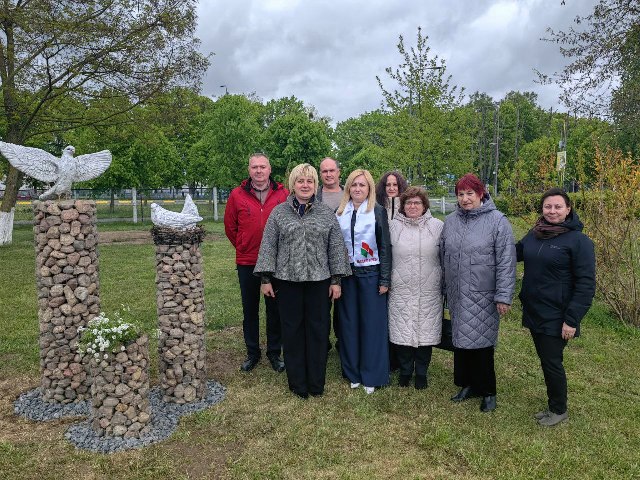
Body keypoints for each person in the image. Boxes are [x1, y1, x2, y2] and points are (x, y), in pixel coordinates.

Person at [254, 164, 351, 399]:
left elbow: (336, 248)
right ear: (293, 184)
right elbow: (269, 246)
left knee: (318, 331)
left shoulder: (326, 213)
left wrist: (336, 280)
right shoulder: (279, 213)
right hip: (287, 281)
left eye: (309, 181)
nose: (305, 185)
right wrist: (266, 278)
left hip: (319, 281)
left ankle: (316, 383)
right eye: (300, 181)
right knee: (292, 331)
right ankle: (297, 383)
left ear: (315, 185)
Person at [516, 187, 595, 426]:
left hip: (558, 314)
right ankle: (554, 404)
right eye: (548, 206)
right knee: (545, 359)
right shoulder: (535, 234)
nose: (552, 211)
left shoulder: (579, 242)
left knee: (552, 362)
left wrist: (572, 319)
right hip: (535, 310)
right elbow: (514, 253)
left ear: (568, 209)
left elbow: (586, 284)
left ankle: (559, 409)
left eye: (558, 207)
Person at [440, 173, 516, 412]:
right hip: (457, 293)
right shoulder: (450, 221)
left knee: (481, 343)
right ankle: (467, 385)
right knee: (461, 342)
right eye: (461, 194)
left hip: (483, 294)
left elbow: (506, 261)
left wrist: (503, 295)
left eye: (470, 193)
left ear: (481, 194)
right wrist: (444, 288)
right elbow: (443, 256)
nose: (465, 199)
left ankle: (488, 391)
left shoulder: (497, 221)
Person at [224, 153, 288, 373]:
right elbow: (230, 227)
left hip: (276, 262)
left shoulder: (283, 194)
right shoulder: (237, 195)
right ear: (249, 170)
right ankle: (252, 352)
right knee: (250, 309)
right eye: (254, 167)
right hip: (248, 261)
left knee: (275, 309)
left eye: (262, 167)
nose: (259, 171)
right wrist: (244, 246)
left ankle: (274, 352)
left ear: (270, 169)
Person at [336, 169, 391, 394]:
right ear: (348, 187)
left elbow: (385, 246)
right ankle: (353, 372)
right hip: (347, 276)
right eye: (354, 184)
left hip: (371, 274)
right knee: (349, 324)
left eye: (362, 185)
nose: (357, 189)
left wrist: (384, 278)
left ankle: (372, 374)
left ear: (369, 189)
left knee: (372, 325)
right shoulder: (340, 212)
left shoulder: (377, 211)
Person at [388, 187, 443, 389]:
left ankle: (421, 373)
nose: (412, 206)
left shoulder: (437, 226)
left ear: (424, 205)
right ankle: (405, 371)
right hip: (400, 288)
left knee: (425, 333)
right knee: (402, 331)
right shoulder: (393, 226)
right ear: (402, 206)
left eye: (417, 202)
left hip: (429, 289)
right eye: (408, 203)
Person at [317, 157, 344, 352]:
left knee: (343, 307)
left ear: (338, 172)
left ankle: (343, 342)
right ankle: (322, 343)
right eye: (324, 171)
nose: (328, 174)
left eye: (331, 170)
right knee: (321, 307)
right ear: (320, 174)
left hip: (346, 259)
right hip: (320, 260)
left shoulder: (349, 194)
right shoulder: (314, 196)